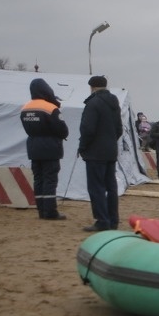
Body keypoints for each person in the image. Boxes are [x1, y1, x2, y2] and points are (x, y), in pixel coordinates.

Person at [19, 78, 69, 220]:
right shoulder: (50, 108)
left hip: (33, 147)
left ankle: (41, 210)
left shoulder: (25, 108)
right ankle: (50, 211)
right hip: (50, 148)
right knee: (50, 180)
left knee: (38, 179)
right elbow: (62, 130)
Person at [78, 75, 123, 232]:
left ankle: (102, 221)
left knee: (96, 187)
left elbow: (87, 129)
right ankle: (113, 220)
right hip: (111, 151)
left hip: (95, 152)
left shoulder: (93, 103)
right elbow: (119, 129)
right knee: (111, 186)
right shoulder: (114, 103)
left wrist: (82, 147)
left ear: (92, 87)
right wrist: (110, 141)